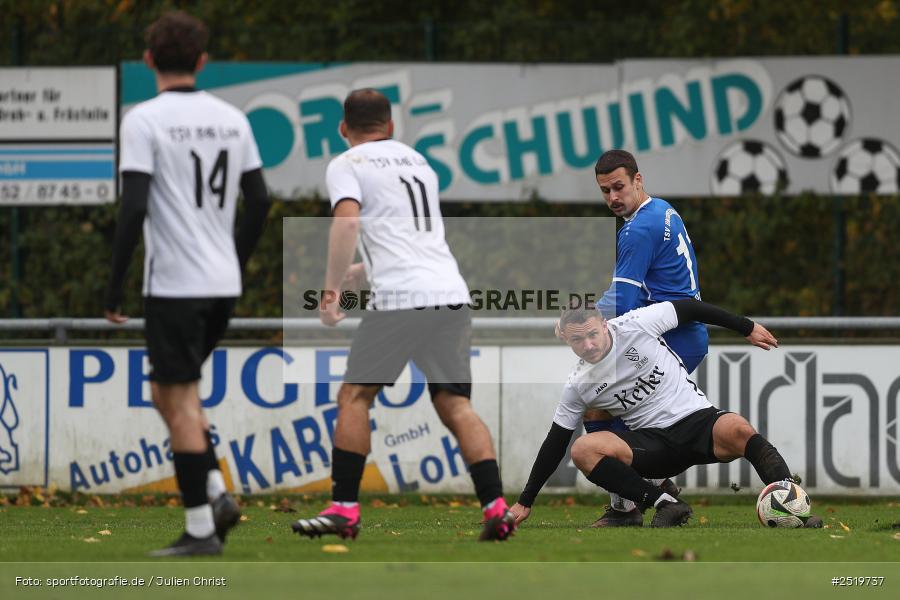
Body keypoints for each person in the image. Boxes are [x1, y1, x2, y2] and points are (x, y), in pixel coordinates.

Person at [291, 89, 515, 542]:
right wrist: (364, 269)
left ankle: (345, 509)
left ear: (342, 128)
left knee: (354, 396)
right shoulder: (417, 162)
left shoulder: (347, 163)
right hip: (449, 293)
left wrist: (332, 289)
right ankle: (495, 507)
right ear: (390, 126)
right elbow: (411, 236)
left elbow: (348, 223)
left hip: (401, 299)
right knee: (455, 403)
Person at [104, 11, 272, 557]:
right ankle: (218, 491)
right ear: (203, 61)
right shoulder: (233, 119)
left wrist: (113, 286)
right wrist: (234, 259)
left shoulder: (143, 119)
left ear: (148, 59)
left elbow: (133, 206)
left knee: (176, 402)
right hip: (221, 282)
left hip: (175, 285)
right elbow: (260, 201)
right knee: (173, 394)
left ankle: (202, 529)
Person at [511, 300, 823, 529]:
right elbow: (556, 441)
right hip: (653, 446)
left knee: (740, 430)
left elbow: (691, 308)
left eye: (593, 333)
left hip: (698, 422)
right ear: (565, 338)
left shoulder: (637, 324)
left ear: (605, 324)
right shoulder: (578, 384)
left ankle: (792, 503)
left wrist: (747, 327)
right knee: (583, 449)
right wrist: (525, 500)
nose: (589, 345)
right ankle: (665, 503)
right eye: (577, 339)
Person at [582, 149, 709, 527]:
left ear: (639, 181)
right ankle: (651, 484)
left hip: (671, 338)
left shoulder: (638, 229)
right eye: (605, 191)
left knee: (597, 406)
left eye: (619, 187)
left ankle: (629, 504)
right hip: (682, 333)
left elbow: (623, 299)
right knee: (618, 410)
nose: (612, 198)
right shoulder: (662, 210)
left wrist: (576, 321)